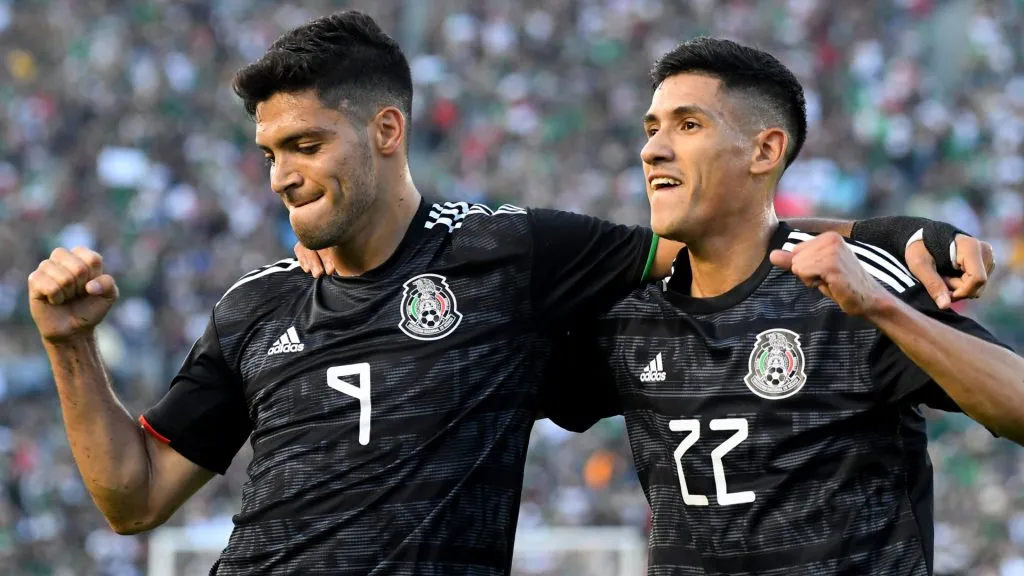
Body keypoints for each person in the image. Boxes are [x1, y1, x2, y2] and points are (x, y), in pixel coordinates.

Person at [27, 12, 992, 576]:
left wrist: (900, 247)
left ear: (388, 131)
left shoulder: (515, 255)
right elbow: (133, 499)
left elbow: (732, 240)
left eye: (306, 146)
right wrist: (70, 346)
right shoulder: (254, 305)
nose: (280, 175)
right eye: (270, 153)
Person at [544, 37, 1023, 575]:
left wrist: (881, 309)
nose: (652, 149)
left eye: (688, 125)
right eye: (652, 129)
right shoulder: (627, 312)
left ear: (765, 151)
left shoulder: (849, 284)